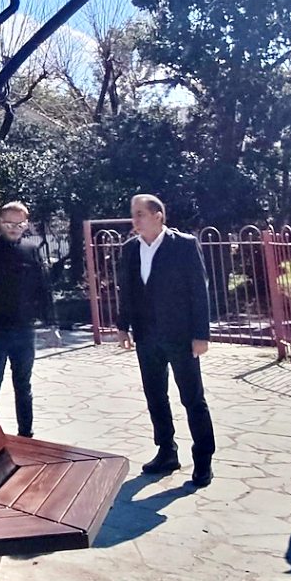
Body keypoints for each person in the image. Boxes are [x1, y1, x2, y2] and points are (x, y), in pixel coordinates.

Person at [115, 194, 216, 486]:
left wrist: (201, 334)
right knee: (155, 396)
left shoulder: (183, 245)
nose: (135, 220)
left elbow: (199, 290)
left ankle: (203, 459)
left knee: (192, 398)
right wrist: (123, 326)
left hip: (180, 336)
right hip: (147, 336)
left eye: (140, 214)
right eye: (133, 214)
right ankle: (166, 451)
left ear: (158, 215)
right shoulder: (130, 249)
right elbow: (127, 290)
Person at [0, 201, 48, 438]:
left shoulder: (31, 249)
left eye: (19, 224)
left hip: (23, 329)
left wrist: (51, 323)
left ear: (26, 224)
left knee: (23, 385)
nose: (14, 228)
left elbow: (42, 288)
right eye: (9, 223)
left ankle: (27, 435)